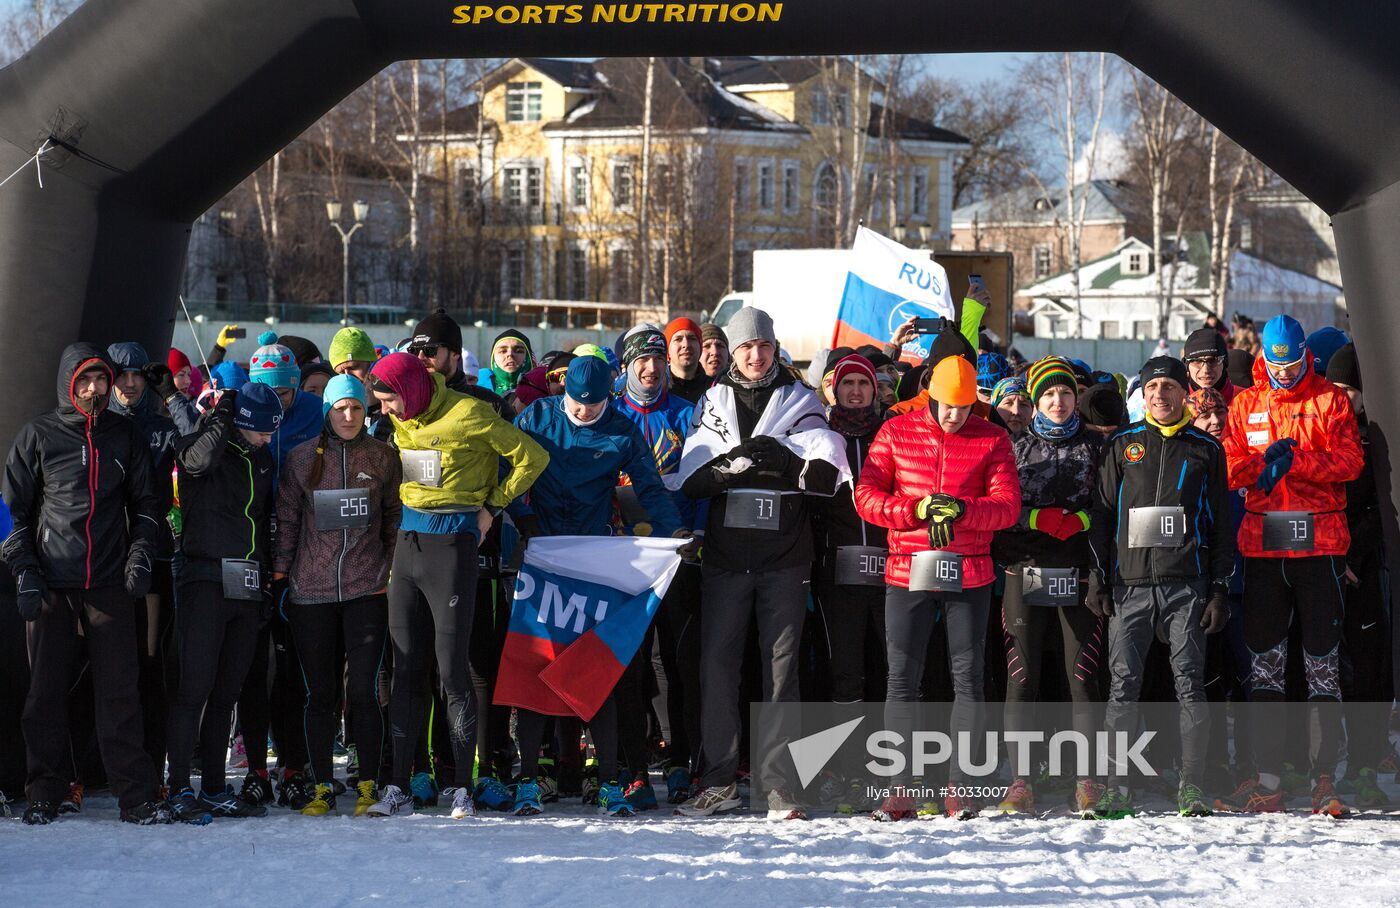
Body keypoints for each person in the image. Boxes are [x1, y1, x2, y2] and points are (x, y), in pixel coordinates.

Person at [676, 307, 849, 821]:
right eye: (746, 347)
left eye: (764, 346)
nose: (756, 355)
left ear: (776, 349)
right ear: (733, 352)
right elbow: (691, 480)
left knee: (781, 675)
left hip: (784, 561)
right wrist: (729, 469)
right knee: (717, 669)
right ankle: (719, 781)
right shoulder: (712, 402)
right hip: (726, 559)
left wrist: (784, 460)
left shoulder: (800, 401)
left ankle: (779, 787)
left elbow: (827, 478)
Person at [365, 352, 549, 819]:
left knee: (451, 671)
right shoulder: (402, 418)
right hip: (407, 548)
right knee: (406, 670)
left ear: (410, 391)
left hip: (452, 548)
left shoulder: (469, 414)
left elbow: (532, 457)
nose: (384, 411)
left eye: (388, 401)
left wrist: (492, 508)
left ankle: (463, 787)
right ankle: (398, 786)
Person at [511, 355, 687, 817]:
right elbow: (504, 475)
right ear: (563, 392)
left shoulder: (622, 428)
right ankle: (527, 779)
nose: (584, 411)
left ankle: (609, 780)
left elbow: (648, 487)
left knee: (597, 671)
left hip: (594, 555)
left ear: (609, 397)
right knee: (537, 667)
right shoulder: (537, 418)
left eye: (593, 405)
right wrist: (524, 519)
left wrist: (673, 531)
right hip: (545, 553)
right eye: (576, 403)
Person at [2, 344, 169, 825]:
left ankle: (135, 796)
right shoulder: (39, 434)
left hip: (110, 582)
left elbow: (146, 505)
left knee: (120, 694)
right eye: (85, 381)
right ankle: (43, 791)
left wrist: (140, 554)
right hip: (52, 584)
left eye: (100, 380)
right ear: (68, 384)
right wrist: (25, 571)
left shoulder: (124, 435)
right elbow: (10, 513)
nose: (94, 389)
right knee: (45, 694)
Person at [855, 355, 1020, 821]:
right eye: (947, 406)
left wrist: (963, 510)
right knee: (901, 680)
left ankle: (960, 786)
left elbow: (1007, 506)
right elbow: (866, 497)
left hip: (969, 572)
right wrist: (916, 509)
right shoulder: (895, 431)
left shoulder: (992, 437)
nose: (954, 415)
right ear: (930, 397)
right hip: (908, 570)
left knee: (968, 679)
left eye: (964, 407)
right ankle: (900, 787)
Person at [1220, 314, 1363, 817]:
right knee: (1265, 665)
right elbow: (1228, 466)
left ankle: (1325, 780)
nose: (1284, 374)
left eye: (1293, 364)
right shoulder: (1246, 403)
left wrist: (1298, 461)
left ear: (1305, 355)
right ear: (1266, 357)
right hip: (1263, 548)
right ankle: (1267, 780)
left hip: (1320, 546)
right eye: (1276, 366)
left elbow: (1350, 462)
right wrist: (1261, 466)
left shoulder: (1330, 400)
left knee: (1322, 664)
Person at [1086, 357, 1232, 819]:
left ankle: (1192, 785)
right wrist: (1098, 578)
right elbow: (1102, 516)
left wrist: (1218, 589)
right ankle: (1117, 787)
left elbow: (1221, 526)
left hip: (1185, 586)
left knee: (1190, 686)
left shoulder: (1206, 448)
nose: (1160, 395)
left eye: (1168, 386)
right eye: (1152, 388)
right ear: (1143, 395)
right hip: (1129, 587)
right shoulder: (1122, 444)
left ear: (1184, 392)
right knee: (1122, 687)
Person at [274, 375, 401, 817]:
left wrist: (389, 568)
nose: (349, 416)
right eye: (340, 408)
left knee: (364, 691)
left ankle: (368, 783)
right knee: (321, 694)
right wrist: (281, 576)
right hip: (312, 592)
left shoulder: (382, 456)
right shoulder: (301, 458)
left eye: (357, 408)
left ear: (366, 411)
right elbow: (288, 521)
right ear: (327, 411)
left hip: (367, 589)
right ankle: (323, 785)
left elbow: (394, 516)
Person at [992, 356, 1107, 817]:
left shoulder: (1098, 445)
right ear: (1036, 400)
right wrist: (1034, 517)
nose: (1057, 401)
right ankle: (1021, 780)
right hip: (1025, 571)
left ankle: (1087, 779)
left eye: (1065, 393)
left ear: (1076, 397)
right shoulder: (1013, 446)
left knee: (1082, 677)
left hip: (1079, 574)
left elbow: (1112, 505)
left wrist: (1083, 519)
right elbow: (997, 509)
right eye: (1048, 394)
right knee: (1022, 678)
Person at [164, 382, 283, 823]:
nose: (268, 438)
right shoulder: (202, 446)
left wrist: (266, 584)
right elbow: (197, 460)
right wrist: (222, 414)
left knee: (227, 693)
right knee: (193, 689)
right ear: (240, 421)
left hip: (246, 585)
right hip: (204, 579)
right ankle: (178, 786)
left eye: (272, 431)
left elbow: (263, 519)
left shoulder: (262, 458)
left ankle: (214, 786)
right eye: (262, 430)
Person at [610, 325, 702, 806]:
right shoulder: (612, 414)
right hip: (625, 556)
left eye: (658, 360)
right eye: (642, 361)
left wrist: (697, 533)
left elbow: (704, 480)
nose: (651, 369)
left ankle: (681, 761)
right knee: (630, 662)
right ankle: (634, 769)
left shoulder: (687, 414)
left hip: (676, 553)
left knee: (679, 660)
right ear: (626, 366)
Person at [237, 333, 323, 808]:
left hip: (301, 556)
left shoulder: (314, 414)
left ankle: (294, 764)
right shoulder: (240, 411)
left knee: (294, 670)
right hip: (252, 552)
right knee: (252, 668)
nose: (277, 402)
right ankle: (254, 767)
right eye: (268, 392)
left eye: (285, 393)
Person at [811, 354, 889, 808]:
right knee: (844, 673)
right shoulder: (821, 435)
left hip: (891, 570)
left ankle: (885, 766)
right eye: (848, 384)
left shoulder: (892, 433)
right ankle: (845, 768)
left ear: (875, 390)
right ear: (834, 390)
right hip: (836, 573)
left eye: (863, 383)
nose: (856, 391)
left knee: (889, 671)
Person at [106, 342, 184, 795]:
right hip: (102, 562)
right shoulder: (96, 426)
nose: (131, 383)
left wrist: (171, 394)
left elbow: (196, 447)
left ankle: (152, 771)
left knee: (152, 667)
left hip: (154, 559)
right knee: (102, 667)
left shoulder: (162, 427)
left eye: (139, 375)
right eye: (122, 375)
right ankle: (89, 770)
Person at [1325, 343, 1393, 808]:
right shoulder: (1314, 432)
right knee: (1326, 675)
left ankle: (1366, 765)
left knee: (1369, 672)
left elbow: (1382, 508)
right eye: (1334, 388)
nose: (1341, 398)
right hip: (1319, 567)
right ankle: (1321, 768)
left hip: (1362, 571)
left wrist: (1352, 554)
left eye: (1350, 390)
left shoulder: (1375, 440)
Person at [1182, 327, 1237, 405]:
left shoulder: (1247, 401)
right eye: (1197, 361)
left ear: (1225, 362)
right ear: (1186, 365)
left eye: (1213, 360)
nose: (1205, 370)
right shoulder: (1176, 405)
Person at [665, 317, 710, 404]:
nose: (686, 344)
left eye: (692, 338)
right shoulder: (658, 391)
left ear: (700, 346)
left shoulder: (714, 389)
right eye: (678, 339)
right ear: (667, 349)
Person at [480, 328, 536, 397]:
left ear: (528, 357)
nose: (510, 354)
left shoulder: (541, 391)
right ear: (493, 358)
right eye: (503, 351)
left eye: (518, 351)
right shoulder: (477, 384)